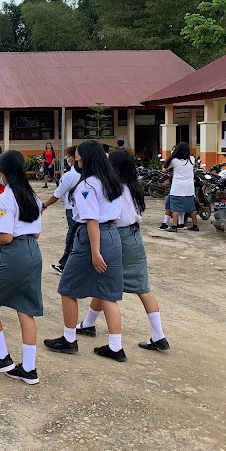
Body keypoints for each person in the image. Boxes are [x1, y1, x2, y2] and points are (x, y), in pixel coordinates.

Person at [76, 149, 170, 351]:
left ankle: (102, 336)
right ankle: (158, 335)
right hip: (135, 237)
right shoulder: (134, 187)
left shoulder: (114, 189)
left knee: (105, 283)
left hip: (118, 237)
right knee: (142, 288)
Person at [43, 139, 127, 362]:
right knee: (108, 294)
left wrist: (95, 251)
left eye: (77, 157)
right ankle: (116, 347)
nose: (75, 160)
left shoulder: (87, 186)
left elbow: (91, 220)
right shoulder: (112, 181)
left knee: (68, 288)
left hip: (92, 238)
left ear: (86, 159)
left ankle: (69, 339)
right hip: (112, 235)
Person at [0, 150, 43, 384]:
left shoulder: (5, 197)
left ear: (2, 172)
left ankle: (3, 357)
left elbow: (6, 237)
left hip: (14, 254)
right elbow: (34, 232)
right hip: (33, 253)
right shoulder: (32, 195)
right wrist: (2, 235)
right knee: (25, 309)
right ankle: (28, 368)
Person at [41, 146, 80, 275]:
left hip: (72, 210)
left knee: (72, 238)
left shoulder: (70, 175)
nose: (66, 159)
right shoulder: (88, 173)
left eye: (67, 156)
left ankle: (64, 265)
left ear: (72, 158)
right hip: (83, 210)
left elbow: (57, 195)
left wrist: (44, 205)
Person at [163, 142, 198, 233]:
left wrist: (172, 155)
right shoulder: (192, 159)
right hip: (189, 188)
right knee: (191, 208)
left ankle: (174, 226)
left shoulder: (174, 161)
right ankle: (195, 225)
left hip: (177, 187)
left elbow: (165, 167)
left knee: (175, 208)